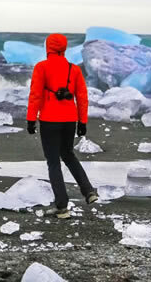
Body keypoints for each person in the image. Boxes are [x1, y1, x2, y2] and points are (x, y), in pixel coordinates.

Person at [26, 33, 98, 219]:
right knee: (68, 155)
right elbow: (82, 97)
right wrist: (82, 122)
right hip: (69, 120)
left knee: (53, 161)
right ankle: (89, 191)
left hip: (50, 120)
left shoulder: (41, 67)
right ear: (64, 48)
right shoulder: (73, 70)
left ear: (48, 47)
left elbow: (35, 95)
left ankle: (61, 206)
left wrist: (31, 119)